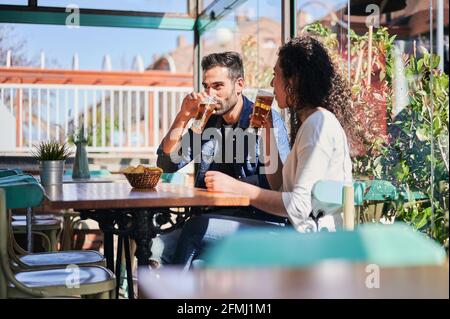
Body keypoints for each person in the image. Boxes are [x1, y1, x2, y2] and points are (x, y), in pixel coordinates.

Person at [172, 36, 358, 267]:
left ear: (294, 80)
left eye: (276, 75)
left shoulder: (317, 125)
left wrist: (238, 187)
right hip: (298, 230)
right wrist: (268, 131)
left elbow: (298, 208)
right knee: (199, 236)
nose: (271, 84)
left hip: (310, 239)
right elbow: (278, 184)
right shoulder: (309, 122)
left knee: (196, 228)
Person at [152, 51, 291, 267]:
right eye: (206, 87)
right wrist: (183, 116)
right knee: (152, 249)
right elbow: (168, 163)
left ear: (239, 85)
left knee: (191, 250)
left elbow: (279, 185)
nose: (210, 94)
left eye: (218, 86)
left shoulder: (263, 118)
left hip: (252, 221)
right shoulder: (208, 120)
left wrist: (234, 186)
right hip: (208, 219)